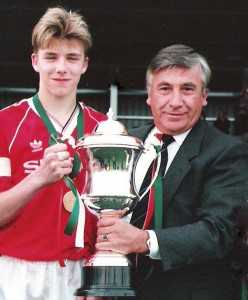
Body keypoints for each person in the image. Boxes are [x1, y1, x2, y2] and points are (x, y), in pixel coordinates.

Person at [96, 44, 248, 299]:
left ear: (204, 96)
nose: (175, 102)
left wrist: (144, 241)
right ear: (149, 95)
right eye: (165, 88)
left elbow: (219, 231)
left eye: (187, 89)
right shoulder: (126, 143)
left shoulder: (229, 152)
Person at [0, 6, 106, 300]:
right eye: (51, 57)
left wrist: (100, 279)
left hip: (81, 272)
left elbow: (113, 216)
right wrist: (39, 177)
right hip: (18, 273)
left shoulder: (105, 129)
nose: (61, 67)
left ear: (84, 64)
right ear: (35, 61)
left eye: (71, 58)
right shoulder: (5, 123)